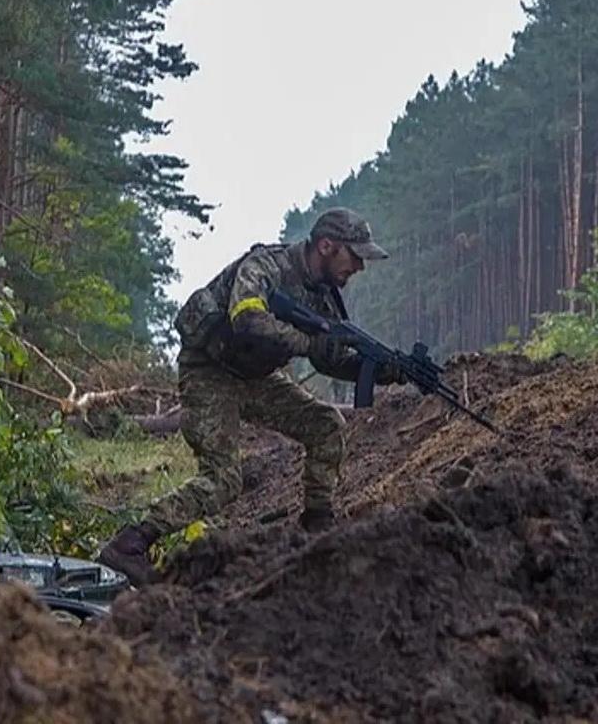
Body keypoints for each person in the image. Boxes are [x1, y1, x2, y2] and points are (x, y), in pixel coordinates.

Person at [98, 207, 406, 586]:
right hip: (210, 371)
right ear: (327, 246)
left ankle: (318, 529)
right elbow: (247, 319)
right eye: (354, 256)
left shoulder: (323, 296)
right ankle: (129, 544)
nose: (359, 267)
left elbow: (329, 359)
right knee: (224, 480)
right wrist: (310, 342)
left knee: (326, 426)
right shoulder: (266, 266)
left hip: (256, 377)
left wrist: (385, 371)